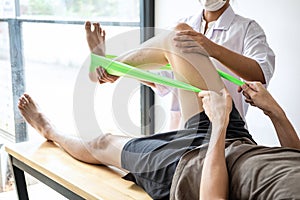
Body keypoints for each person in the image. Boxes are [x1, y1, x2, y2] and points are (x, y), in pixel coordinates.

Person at [19, 21, 299, 200]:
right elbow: (294, 158)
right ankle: (108, 67)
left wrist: (220, 124)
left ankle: (49, 129)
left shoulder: (246, 28)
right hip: (237, 140)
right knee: (177, 38)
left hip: (196, 169)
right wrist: (276, 112)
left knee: (102, 142)